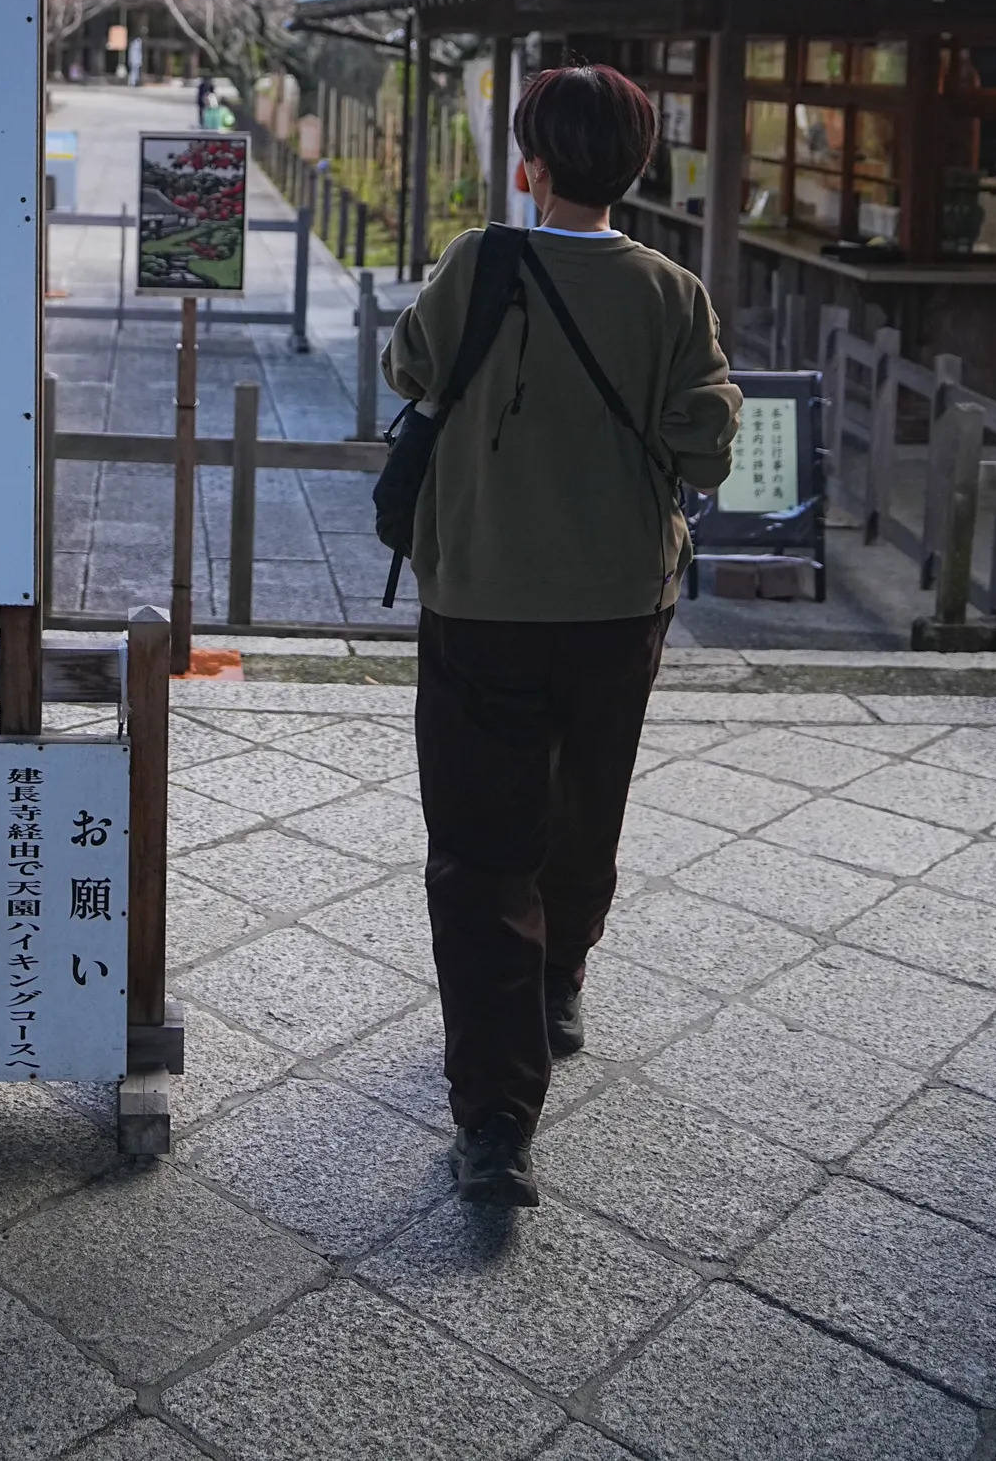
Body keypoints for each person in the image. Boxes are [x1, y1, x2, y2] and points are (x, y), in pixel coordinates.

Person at [383, 62, 740, 1208]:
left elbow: (411, 366)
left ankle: (498, 1121)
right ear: (638, 171)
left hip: (484, 595)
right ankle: (561, 980)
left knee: (482, 847)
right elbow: (704, 446)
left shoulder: (479, 261)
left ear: (528, 165)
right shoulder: (674, 292)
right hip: (619, 603)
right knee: (586, 804)